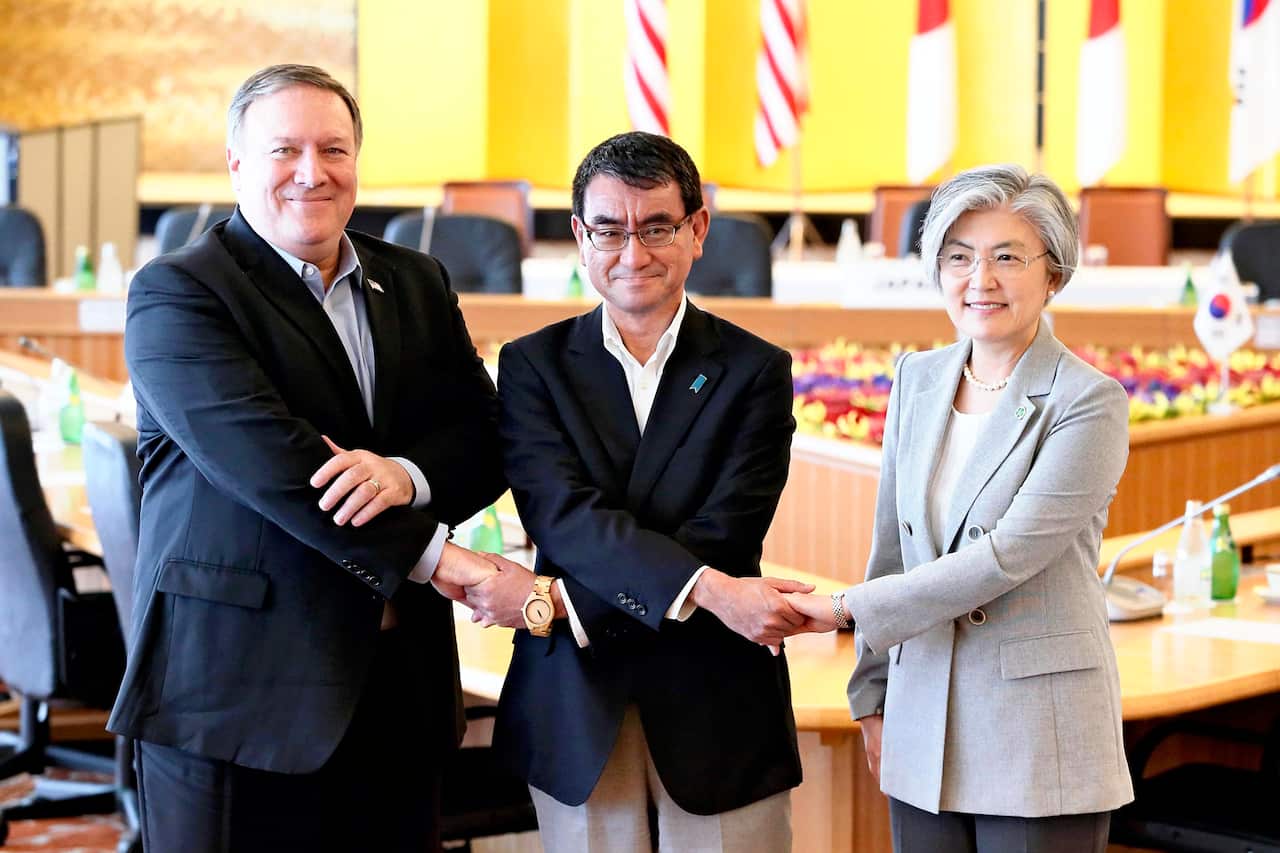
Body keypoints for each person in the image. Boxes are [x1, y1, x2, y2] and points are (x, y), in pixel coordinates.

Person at [106, 64, 508, 852]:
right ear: (236, 165)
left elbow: (486, 435)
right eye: (283, 150)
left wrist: (407, 474)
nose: (312, 173)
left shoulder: (416, 281)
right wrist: (446, 561)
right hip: (237, 702)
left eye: (334, 149)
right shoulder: (179, 293)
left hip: (399, 694)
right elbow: (281, 470)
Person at [465, 131, 809, 852]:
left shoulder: (756, 370)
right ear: (580, 237)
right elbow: (565, 520)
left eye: (656, 227)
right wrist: (714, 590)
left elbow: (727, 530)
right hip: (577, 698)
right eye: (609, 230)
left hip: (715, 699)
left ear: (698, 228)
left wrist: (556, 600)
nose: (633, 253)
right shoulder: (533, 366)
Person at [785, 164, 1134, 852]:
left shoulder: (1089, 401)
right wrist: (873, 696)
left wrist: (845, 608)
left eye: (1007, 256)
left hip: (1037, 736)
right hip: (922, 722)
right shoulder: (918, 379)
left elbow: (1003, 556)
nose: (981, 279)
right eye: (958, 257)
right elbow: (891, 543)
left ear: (1054, 272)